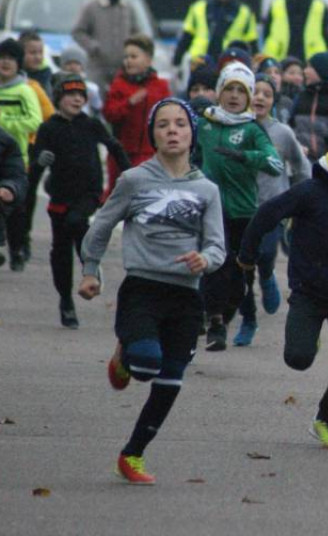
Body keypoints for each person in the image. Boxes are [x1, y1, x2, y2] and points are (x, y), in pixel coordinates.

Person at [78, 97, 225, 485]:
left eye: (180, 124)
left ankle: (132, 455)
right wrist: (90, 271)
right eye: (163, 125)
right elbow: (101, 226)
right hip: (143, 287)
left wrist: (204, 261)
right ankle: (125, 354)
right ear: (153, 135)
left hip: (186, 296)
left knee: (170, 379)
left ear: (193, 134)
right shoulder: (134, 181)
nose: (172, 130)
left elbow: (217, 247)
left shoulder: (207, 190)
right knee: (145, 364)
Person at [238, 124, 328, 449]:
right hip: (309, 292)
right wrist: (246, 255)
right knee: (298, 358)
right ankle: (309, 339)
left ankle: (325, 418)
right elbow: (267, 213)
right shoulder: (310, 192)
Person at [29, 73, 131, 328]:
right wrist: (40, 161)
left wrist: (131, 175)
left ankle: (90, 265)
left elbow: (114, 146)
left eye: (81, 95)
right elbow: (35, 169)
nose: (76, 99)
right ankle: (66, 301)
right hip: (59, 195)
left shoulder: (91, 124)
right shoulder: (49, 127)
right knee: (60, 250)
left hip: (88, 193)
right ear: (58, 98)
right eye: (70, 94)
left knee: (77, 223)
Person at [196, 63, 283, 351]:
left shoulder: (252, 130)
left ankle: (227, 313)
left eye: (240, 91)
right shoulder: (204, 123)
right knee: (214, 267)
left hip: (245, 214)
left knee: (239, 279)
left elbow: (274, 164)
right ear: (219, 92)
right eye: (229, 89)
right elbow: (182, 148)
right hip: (211, 211)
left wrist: (245, 157)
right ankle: (215, 324)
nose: (234, 96)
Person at [233, 75, 311, 346]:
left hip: (272, 207)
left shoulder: (282, 133)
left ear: (273, 101)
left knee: (265, 253)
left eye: (267, 94)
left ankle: (267, 276)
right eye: (255, 92)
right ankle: (248, 320)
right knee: (241, 266)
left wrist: (302, 200)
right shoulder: (235, 130)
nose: (260, 98)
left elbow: (302, 168)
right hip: (239, 208)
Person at [103, 35, 171, 192]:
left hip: (149, 153)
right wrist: (129, 103)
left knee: (144, 195)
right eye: (126, 57)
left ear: (148, 60)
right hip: (121, 154)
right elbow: (109, 114)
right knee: (117, 196)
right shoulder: (118, 84)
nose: (128, 61)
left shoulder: (160, 86)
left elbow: (168, 115)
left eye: (134, 56)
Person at [0, 38, 43, 270]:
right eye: (1, 58)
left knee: (16, 210)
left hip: (16, 160)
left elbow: (34, 121)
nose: (5, 63)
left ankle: (16, 249)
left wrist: (6, 123)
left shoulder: (24, 90)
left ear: (18, 63)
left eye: (10, 59)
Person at [174, 0, 258, 67]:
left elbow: (252, 44)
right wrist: (176, 62)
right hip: (199, 64)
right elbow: (186, 38)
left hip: (229, 64)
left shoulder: (245, 12)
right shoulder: (198, 7)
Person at [72, 0, 140, 89]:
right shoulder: (92, 7)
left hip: (123, 67)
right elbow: (78, 32)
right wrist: (93, 46)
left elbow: (136, 32)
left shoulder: (127, 8)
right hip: (98, 66)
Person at [289, 51, 328, 162]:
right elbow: (289, 125)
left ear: (323, 71)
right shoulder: (300, 97)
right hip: (301, 161)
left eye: (310, 67)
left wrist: (326, 133)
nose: (305, 71)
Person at [0, 127, 28, 269]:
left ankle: (16, 251)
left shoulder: (5, 141)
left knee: (18, 215)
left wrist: (10, 188)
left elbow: (16, 176)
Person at [59, 44, 103, 116]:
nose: (73, 67)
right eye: (69, 63)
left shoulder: (91, 88)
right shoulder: (57, 86)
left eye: (77, 63)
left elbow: (97, 108)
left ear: (83, 66)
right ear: (62, 66)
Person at [19, 31, 53, 97]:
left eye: (40, 52)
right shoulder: (14, 76)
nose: (38, 57)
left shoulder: (46, 76)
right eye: (32, 53)